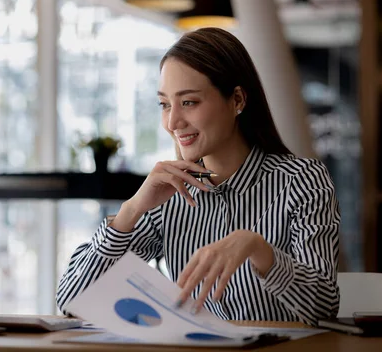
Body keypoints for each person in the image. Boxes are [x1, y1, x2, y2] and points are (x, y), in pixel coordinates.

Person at [56, 27, 340, 325]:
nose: (173, 121)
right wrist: (131, 210)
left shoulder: (303, 181)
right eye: (165, 104)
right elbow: (73, 301)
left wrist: (258, 249)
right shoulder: (168, 195)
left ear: (238, 100)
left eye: (189, 102)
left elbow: (323, 308)